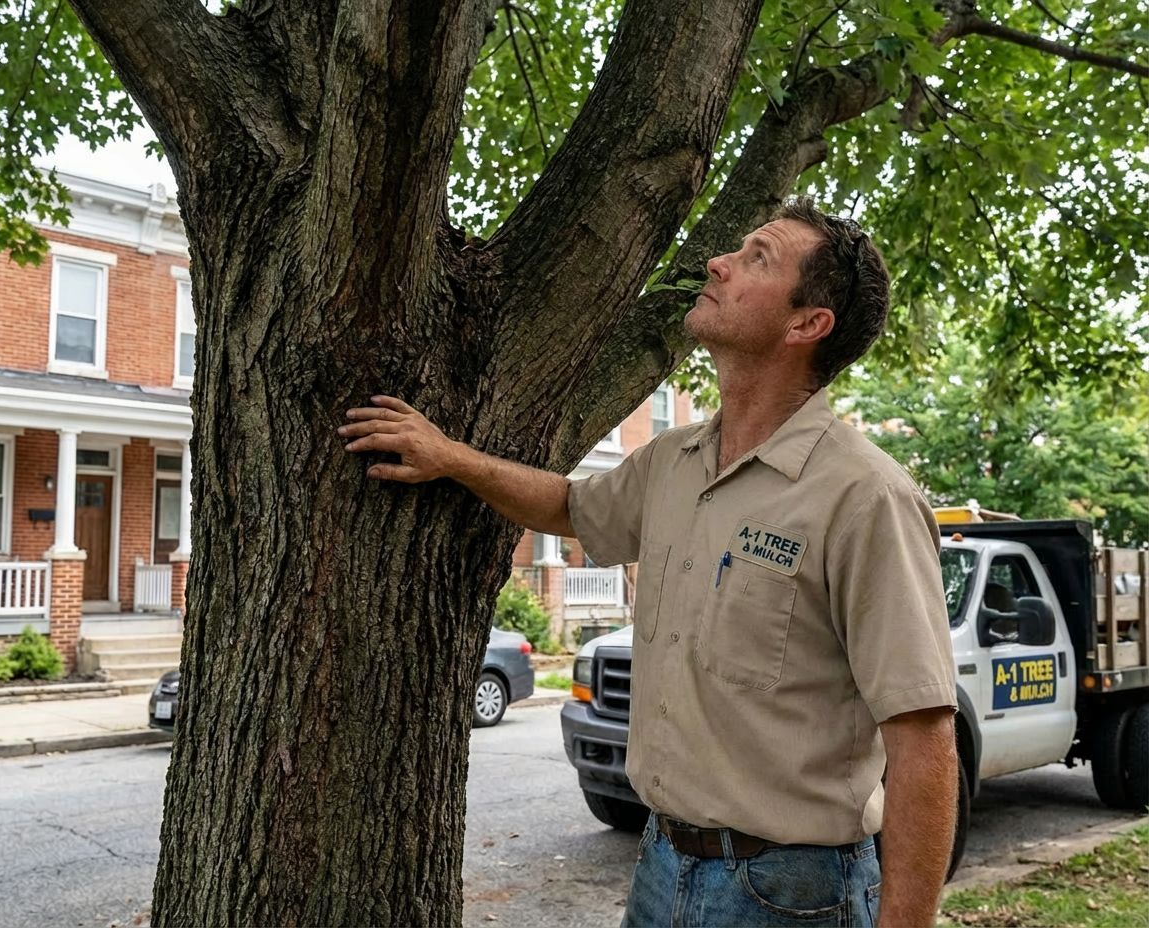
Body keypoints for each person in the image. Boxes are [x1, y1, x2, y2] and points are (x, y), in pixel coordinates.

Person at [339, 197, 958, 927]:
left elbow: (922, 739)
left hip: (791, 893)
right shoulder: (675, 459)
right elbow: (570, 507)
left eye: (757, 257)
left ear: (806, 324)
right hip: (662, 867)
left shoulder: (864, 495)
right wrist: (449, 458)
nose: (718, 264)